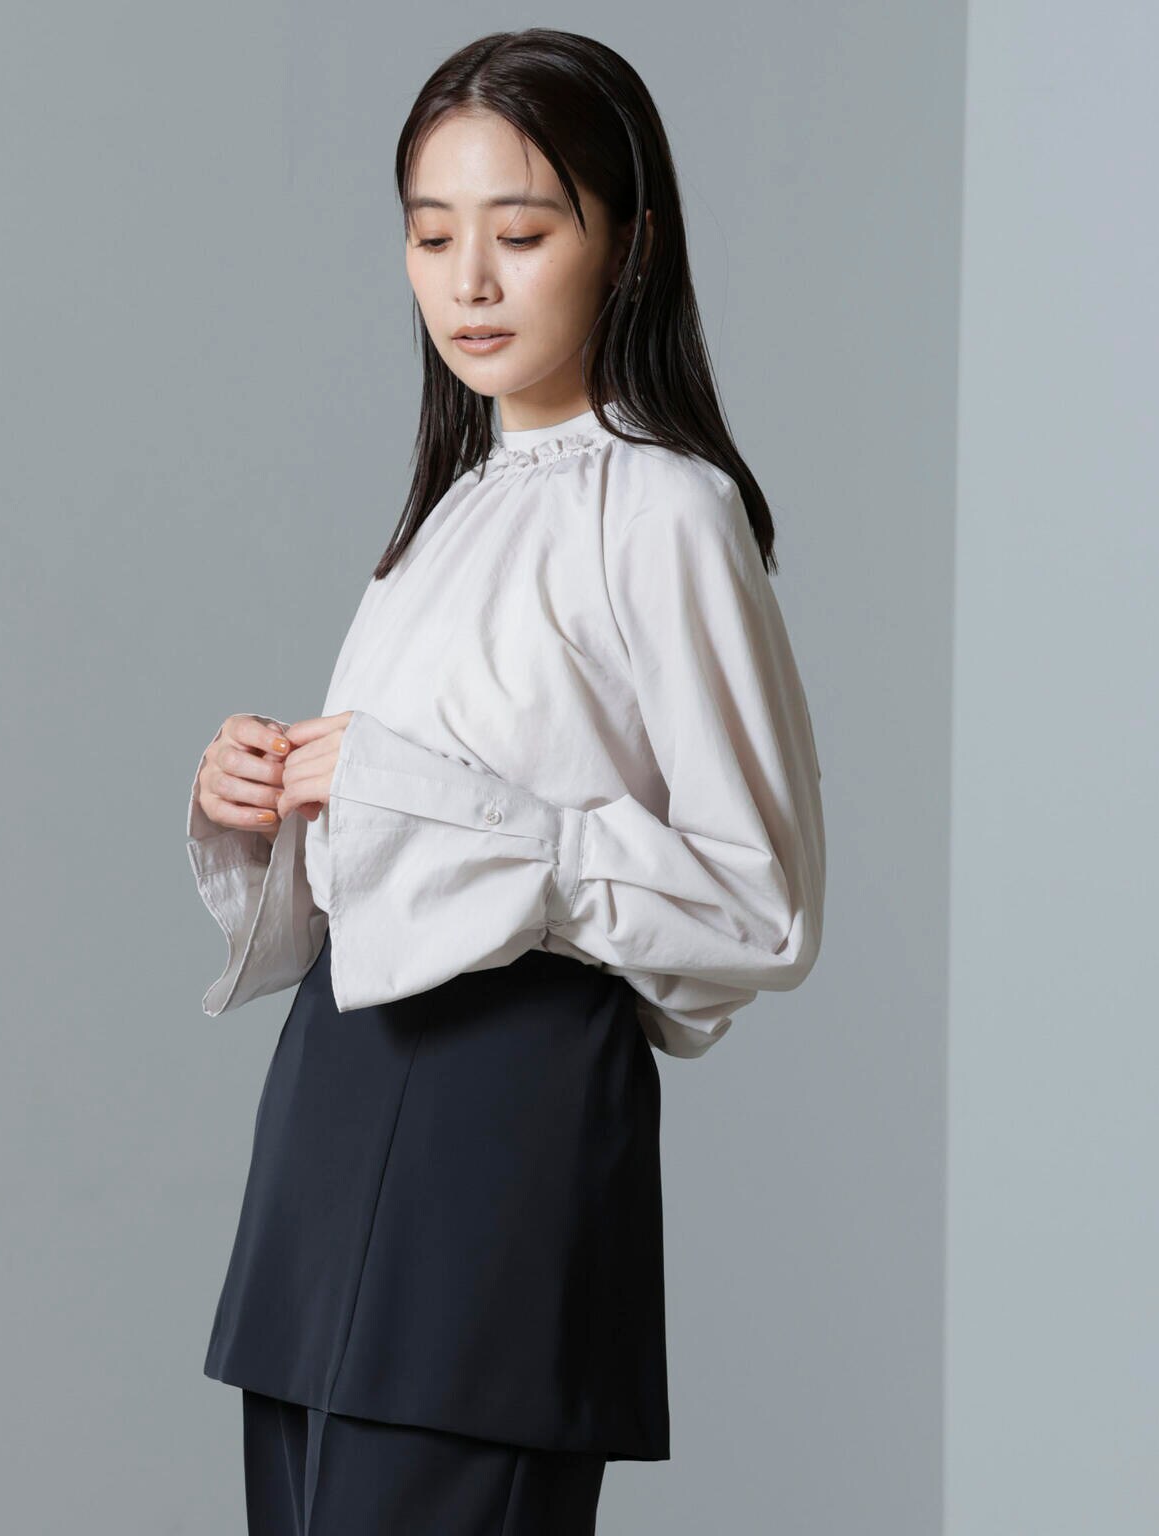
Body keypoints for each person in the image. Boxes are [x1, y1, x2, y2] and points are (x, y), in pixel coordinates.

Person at [185, 27, 826, 1536]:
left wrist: (464, 819)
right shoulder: (445, 515)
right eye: (432, 236)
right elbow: (389, 874)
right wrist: (264, 805)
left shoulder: (668, 510)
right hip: (333, 1106)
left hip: (505, 1128)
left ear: (631, 244)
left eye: (522, 234)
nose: (469, 281)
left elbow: (763, 908)